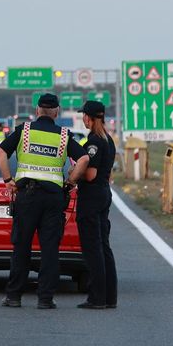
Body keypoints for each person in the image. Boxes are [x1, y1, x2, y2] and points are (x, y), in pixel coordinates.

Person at [0, 93, 88, 309]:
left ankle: (14, 297)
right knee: (49, 249)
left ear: (37, 111)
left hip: (26, 196)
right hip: (53, 199)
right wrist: (70, 182)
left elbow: (1, 151)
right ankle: (45, 299)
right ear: (56, 112)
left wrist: (8, 180)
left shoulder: (24, 131)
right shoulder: (64, 135)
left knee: (21, 246)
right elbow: (84, 158)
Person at [74, 100, 118, 309]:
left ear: (88, 118)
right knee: (103, 246)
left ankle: (96, 298)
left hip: (91, 197)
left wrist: (73, 176)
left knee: (92, 248)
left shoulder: (93, 142)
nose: (83, 118)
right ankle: (110, 297)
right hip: (103, 194)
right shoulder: (108, 140)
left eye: (84, 115)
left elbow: (90, 174)